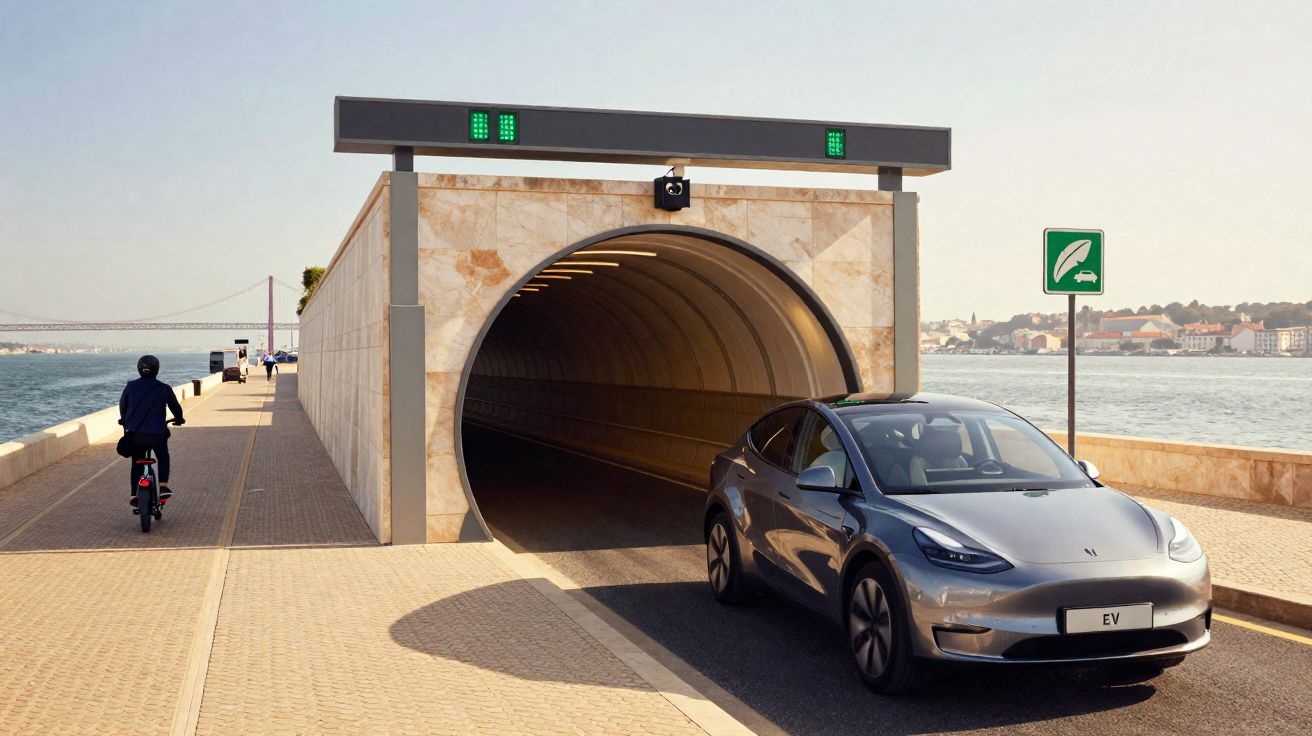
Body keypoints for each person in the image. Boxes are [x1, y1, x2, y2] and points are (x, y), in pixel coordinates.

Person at [119, 355, 184, 506]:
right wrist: (179, 419)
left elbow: (123, 407)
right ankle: (162, 487)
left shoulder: (130, 386)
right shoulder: (164, 388)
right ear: (157, 370)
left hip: (136, 436)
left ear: (139, 369)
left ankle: (134, 495)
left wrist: (125, 421)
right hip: (157, 435)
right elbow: (175, 408)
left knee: (136, 463)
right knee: (163, 457)